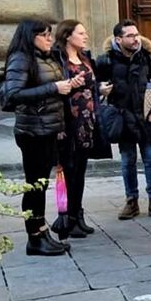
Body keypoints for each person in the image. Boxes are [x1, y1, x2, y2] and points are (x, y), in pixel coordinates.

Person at [0, 20, 73, 256]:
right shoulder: (21, 59)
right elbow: (12, 95)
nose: (49, 39)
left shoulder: (46, 57)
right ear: (30, 37)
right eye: (44, 35)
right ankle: (35, 237)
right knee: (34, 186)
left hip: (47, 129)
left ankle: (42, 232)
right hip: (32, 132)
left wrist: (67, 86)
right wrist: (54, 88)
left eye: (50, 34)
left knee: (40, 185)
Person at [96, 19, 151, 221]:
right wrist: (100, 89)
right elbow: (94, 86)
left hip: (146, 117)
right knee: (128, 161)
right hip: (123, 118)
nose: (136, 39)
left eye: (137, 35)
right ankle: (132, 201)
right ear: (118, 39)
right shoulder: (106, 61)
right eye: (130, 36)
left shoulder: (146, 57)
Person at [51, 19, 112, 241]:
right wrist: (70, 86)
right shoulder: (58, 60)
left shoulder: (85, 58)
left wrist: (100, 89)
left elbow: (90, 85)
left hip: (88, 122)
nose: (85, 36)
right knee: (69, 171)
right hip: (68, 122)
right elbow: (57, 87)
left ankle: (78, 215)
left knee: (80, 171)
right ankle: (67, 218)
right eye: (81, 33)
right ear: (68, 36)